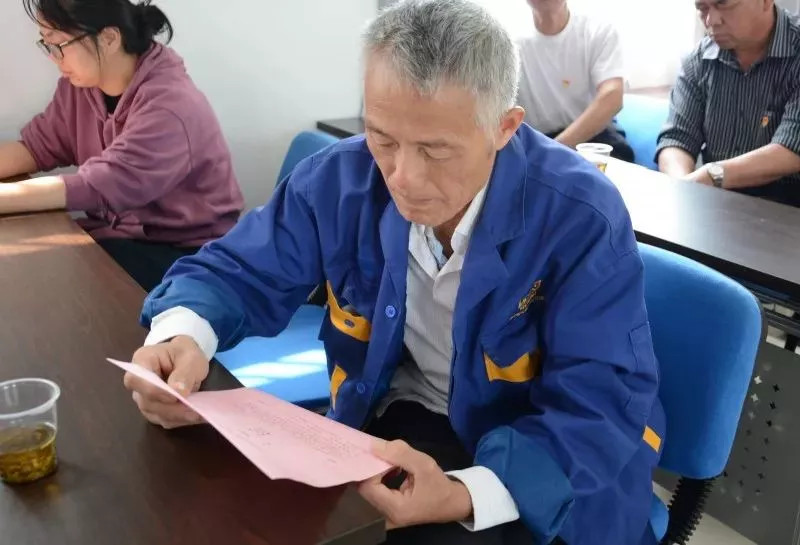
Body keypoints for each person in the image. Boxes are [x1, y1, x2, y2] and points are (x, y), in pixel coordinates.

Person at [123, 1, 663, 544]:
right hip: (400, 419)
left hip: (542, 460)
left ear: (504, 127)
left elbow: (600, 399)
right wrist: (183, 335)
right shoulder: (340, 180)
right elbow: (236, 268)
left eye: (435, 150)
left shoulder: (578, 216)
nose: (403, 176)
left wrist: (465, 492)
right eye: (383, 139)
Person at [0, 0, 244, 290]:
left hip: (188, 256)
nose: (54, 58)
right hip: (121, 237)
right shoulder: (81, 87)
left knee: (49, 276)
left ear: (109, 38)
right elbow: (37, 146)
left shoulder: (171, 106)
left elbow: (100, 186)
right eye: (47, 44)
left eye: (59, 44)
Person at [657, 0, 800, 207]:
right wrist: (682, 185)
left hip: (789, 209)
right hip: (716, 206)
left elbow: (792, 150)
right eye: (702, 8)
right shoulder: (698, 61)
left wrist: (711, 175)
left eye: (723, 4)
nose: (711, 20)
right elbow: (676, 139)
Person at [516, 0, 634, 162]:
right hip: (535, 142)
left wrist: (554, 150)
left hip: (593, 137)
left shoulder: (598, 31)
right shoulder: (509, 42)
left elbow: (612, 96)